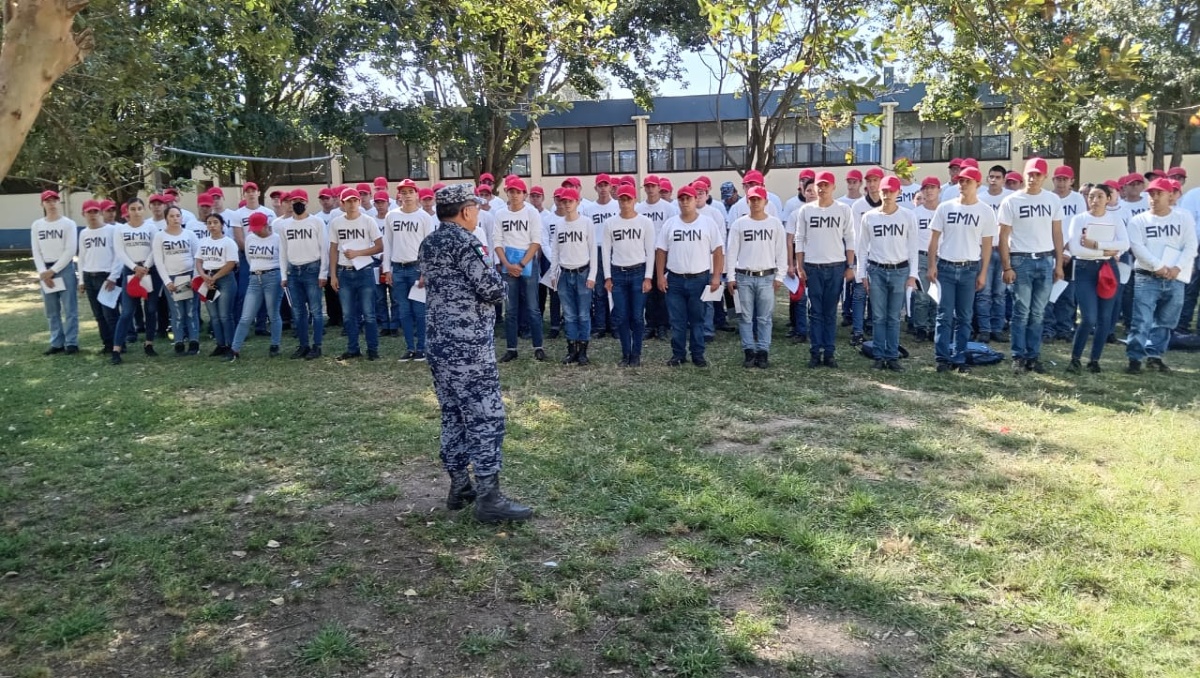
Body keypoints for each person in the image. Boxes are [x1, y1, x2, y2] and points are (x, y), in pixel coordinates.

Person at [418, 183, 531, 523]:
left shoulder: (429, 242)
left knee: (452, 413)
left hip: (438, 342)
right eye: (475, 207)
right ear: (466, 211)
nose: (478, 212)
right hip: (467, 346)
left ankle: (459, 486)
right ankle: (489, 497)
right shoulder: (466, 242)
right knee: (485, 416)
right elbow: (492, 289)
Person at [927, 167, 997, 373]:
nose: (963, 184)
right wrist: (931, 265)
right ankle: (942, 357)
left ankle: (959, 356)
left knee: (965, 316)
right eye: (960, 181)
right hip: (946, 268)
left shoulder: (985, 211)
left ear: (978, 184)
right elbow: (934, 240)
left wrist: (983, 272)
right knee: (944, 315)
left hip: (969, 269)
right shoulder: (945, 207)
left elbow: (986, 245)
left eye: (967, 181)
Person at [998, 157, 1064, 374]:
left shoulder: (1052, 200)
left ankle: (1033, 356)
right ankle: (1018, 355)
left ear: (1045, 177)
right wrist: (1007, 267)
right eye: (1030, 174)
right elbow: (1003, 235)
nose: (1033, 178)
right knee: (1021, 311)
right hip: (1021, 260)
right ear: (1024, 174)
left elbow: (1057, 232)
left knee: (1038, 312)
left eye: (1038, 174)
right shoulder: (1012, 201)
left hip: (1045, 259)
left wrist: (1059, 263)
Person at [1125, 178, 1198, 373]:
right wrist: (1158, 266)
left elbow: (1191, 245)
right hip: (1147, 276)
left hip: (1175, 278)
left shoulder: (1184, 218)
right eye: (1151, 194)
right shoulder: (1138, 220)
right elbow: (1138, 248)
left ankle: (1155, 355)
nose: (1154, 198)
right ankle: (1135, 358)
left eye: (1159, 194)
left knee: (1167, 321)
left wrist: (1177, 268)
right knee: (1142, 319)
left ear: (1170, 195)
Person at [655, 185, 724, 367]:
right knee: (677, 321)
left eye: (689, 199)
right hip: (675, 280)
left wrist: (716, 276)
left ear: (695, 200)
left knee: (697, 319)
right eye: (682, 199)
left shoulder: (708, 223)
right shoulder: (670, 224)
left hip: (699, 279)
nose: (685, 202)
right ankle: (678, 354)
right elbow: (661, 251)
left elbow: (718, 251)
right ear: (678, 201)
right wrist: (660, 276)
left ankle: (698, 354)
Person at [857, 176, 919, 371]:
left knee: (893, 317)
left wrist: (913, 275)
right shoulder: (870, 216)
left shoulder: (908, 216)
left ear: (898, 192)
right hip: (876, 270)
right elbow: (861, 247)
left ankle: (892, 356)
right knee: (877, 315)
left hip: (899, 270)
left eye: (891, 191)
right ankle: (878, 355)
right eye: (884, 191)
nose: (887, 194)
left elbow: (913, 246)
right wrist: (862, 274)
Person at [1065, 184, 1128, 373]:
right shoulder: (1079, 219)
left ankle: (1094, 360)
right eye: (1091, 196)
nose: (1094, 200)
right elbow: (1075, 248)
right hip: (1085, 269)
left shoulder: (1115, 219)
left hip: (1107, 268)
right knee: (1088, 317)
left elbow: (1124, 243)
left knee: (1105, 318)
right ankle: (1075, 358)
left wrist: (1097, 245)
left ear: (1108, 198)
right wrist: (1105, 249)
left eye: (1100, 196)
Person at [794, 175, 856, 368]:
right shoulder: (806, 210)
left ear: (833, 187)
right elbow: (800, 238)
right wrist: (799, 265)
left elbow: (850, 239)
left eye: (825, 185)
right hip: (813, 267)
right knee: (815, 312)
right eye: (818, 186)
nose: (822, 189)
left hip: (836, 267)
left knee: (830, 312)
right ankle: (815, 352)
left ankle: (829, 352)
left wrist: (850, 266)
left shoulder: (843, 209)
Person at [726, 186, 787, 368]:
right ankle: (749, 351)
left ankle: (763, 351)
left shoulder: (774, 224)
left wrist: (780, 276)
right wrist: (730, 277)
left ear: (766, 202)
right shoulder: (739, 224)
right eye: (752, 199)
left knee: (764, 318)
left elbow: (781, 252)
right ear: (747, 201)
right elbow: (731, 252)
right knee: (745, 317)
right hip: (744, 276)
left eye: (758, 199)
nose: (755, 202)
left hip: (767, 276)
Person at [493, 177, 546, 362]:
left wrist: (522, 264)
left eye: (518, 192)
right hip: (509, 265)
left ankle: (538, 347)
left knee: (533, 308)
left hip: (528, 262)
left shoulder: (532, 213)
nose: (514, 195)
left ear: (524, 194)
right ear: (506, 193)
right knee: (511, 309)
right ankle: (511, 348)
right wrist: (507, 265)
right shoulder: (500, 214)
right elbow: (497, 242)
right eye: (511, 191)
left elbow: (536, 240)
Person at [329, 188, 385, 361]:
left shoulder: (368, 221)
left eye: (355, 200)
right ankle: (353, 348)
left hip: (364, 271)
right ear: (342, 203)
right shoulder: (336, 223)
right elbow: (333, 249)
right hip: (344, 272)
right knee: (348, 314)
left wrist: (358, 253)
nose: (352, 204)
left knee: (369, 313)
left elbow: (379, 246)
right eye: (348, 201)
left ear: (359, 202)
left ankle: (372, 348)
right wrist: (333, 275)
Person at [381, 180, 434, 361]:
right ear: (399, 195)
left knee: (419, 311)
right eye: (404, 192)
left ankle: (422, 348)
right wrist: (387, 269)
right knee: (403, 311)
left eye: (411, 191)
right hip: (398, 268)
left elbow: (429, 248)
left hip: (416, 267)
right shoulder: (391, 216)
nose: (407, 195)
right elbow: (387, 243)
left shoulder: (424, 217)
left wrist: (425, 272)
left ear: (416, 194)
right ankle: (409, 347)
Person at [603, 183, 655, 367]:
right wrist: (608, 277)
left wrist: (648, 277)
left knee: (637, 316)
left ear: (634, 200)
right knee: (621, 316)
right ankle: (626, 353)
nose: (624, 203)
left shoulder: (645, 222)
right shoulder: (610, 223)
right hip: (618, 273)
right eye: (621, 199)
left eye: (628, 199)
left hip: (638, 272)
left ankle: (636, 354)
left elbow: (650, 251)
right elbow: (606, 251)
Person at [279, 189, 329, 360]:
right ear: (290, 203)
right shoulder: (285, 226)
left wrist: (323, 273)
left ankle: (317, 345)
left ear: (307, 202)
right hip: (293, 271)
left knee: (315, 310)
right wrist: (283, 276)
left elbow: (324, 249)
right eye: (294, 200)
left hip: (312, 269)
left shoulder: (317, 222)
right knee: (298, 311)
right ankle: (303, 345)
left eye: (301, 200)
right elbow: (283, 252)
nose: (297, 203)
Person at [226, 212, 283, 361]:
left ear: (266, 225)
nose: (256, 231)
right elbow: (250, 258)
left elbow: (283, 259)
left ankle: (275, 344)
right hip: (254, 277)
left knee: (273, 313)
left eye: (259, 227)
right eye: (254, 228)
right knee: (246, 317)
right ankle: (235, 349)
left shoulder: (277, 239)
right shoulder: (250, 238)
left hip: (272, 276)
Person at [551, 188, 598, 365]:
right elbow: (555, 250)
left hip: (582, 272)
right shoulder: (559, 225)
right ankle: (571, 349)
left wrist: (592, 275)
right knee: (569, 314)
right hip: (565, 273)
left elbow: (593, 249)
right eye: (564, 201)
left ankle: (583, 350)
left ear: (577, 202)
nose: (567, 204)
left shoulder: (586, 223)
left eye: (570, 201)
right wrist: (554, 273)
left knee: (583, 314)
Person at [110, 198, 160, 364]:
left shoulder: (151, 228)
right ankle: (116, 349)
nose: (136, 212)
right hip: (130, 272)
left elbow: (155, 249)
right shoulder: (121, 230)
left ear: (144, 210)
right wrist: (134, 267)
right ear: (127, 211)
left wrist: (145, 267)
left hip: (149, 271)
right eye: (133, 209)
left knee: (151, 309)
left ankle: (149, 343)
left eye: (139, 208)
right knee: (127, 312)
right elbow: (120, 251)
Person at [31, 190, 80, 355]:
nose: (51, 204)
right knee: (51, 310)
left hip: (64, 269)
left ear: (59, 202)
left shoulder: (68, 224)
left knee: (69, 308)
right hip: (45, 270)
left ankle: (71, 342)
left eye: (54, 200)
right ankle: (56, 342)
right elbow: (36, 251)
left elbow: (70, 250)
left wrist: (53, 270)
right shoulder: (37, 225)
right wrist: (43, 272)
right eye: (47, 201)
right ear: (42, 204)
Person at [152, 205, 201, 355]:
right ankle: (179, 341)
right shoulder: (160, 236)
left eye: (177, 215)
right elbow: (158, 261)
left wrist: (195, 277)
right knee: (177, 312)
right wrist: (167, 281)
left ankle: (194, 341)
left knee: (191, 311)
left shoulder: (190, 234)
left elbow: (197, 257)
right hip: (172, 278)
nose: (175, 218)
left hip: (189, 276)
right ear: (166, 218)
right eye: (172, 216)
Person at [1046, 165, 1088, 342]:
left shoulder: (1078, 199)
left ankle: (1064, 328)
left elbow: (1079, 227)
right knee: (1048, 293)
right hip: (1048, 250)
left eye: (1065, 179)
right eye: (1058, 179)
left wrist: (1067, 251)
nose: (1061, 183)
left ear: (1072, 181)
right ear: (1053, 180)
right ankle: (1047, 328)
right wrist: (1056, 250)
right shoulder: (1047, 198)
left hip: (1070, 252)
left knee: (1067, 293)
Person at [637, 176, 679, 340]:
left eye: (653, 186)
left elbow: (673, 231)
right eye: (647, 186)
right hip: (645, 255)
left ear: (659, 187)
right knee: (648, 291)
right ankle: (651, 324)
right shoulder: (640, 208)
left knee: (662, 290)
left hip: (663, 254)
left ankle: (663, 325)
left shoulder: (669, 208)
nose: (650, 189)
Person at [848, 168, 885, 345]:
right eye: (869, 181)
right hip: (862, 255)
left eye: (875, 180)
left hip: (881, 258)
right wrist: (857, 260)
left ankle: (872, 325)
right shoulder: (858, 206)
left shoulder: (888, 205)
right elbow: (855, 235)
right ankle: (857, 330)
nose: (872, 184)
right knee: (859, 294)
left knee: (876, 294)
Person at [77, 200, 119, 355]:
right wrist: (81, 280)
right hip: (89, 275)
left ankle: (118, 344)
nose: (92, 215)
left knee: (110, 314)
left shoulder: (111, 231)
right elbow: (82, 257)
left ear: (101, 213)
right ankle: (107, 344)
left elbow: (118, 256)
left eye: (95, 211)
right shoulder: (84, 233)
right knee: (99, 315)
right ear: (84, 214)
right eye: (89, 212)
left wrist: (113, 277)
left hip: (106, 276)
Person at [195, 214, 239, 356]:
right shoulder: (203, 242)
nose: (212, 225)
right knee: (214, 316)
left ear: (222, 225)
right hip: (208, 280)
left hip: (224, 279)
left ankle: (231, 345)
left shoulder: (228, 242)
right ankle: (220, 344)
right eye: (209, 223)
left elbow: (231, 263)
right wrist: (204, 276)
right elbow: (198, 261)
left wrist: (214, 277)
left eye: (215, 222)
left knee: (225, 315)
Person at [583, 174, 618, 339]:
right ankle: (600, 325)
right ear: (596, 188)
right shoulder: (589, 209)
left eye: (606, 185)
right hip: (596, 250)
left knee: (616, 289)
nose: (603, 188)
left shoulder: (617, 206)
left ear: (611, 187)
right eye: (600, 185)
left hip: (614, 250)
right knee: (599, 291)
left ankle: (616, 324)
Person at [910, 176, 941, 342]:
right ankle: (920, 327)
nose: (929, 191)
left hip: (941, 257)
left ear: (938, 190)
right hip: (921, 256)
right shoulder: (915, 214)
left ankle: (934, 327)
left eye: (932, 187)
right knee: (922, 296)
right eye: (925, 188)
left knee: (937, 296)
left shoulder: (944, 210)